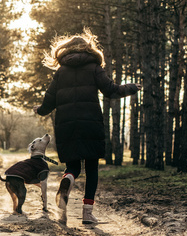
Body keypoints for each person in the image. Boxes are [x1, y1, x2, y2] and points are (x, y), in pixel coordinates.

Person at [33, 29, 142, 225]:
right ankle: (87, 213)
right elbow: (111, 90)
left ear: (66, 50)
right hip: (90, 123)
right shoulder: (94, 67)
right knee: (92, 167)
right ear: (88, 48)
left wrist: (39, 110)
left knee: (73, 166)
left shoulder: (61, 72)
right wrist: (131, 87)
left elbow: (49, 102)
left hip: (66, 125)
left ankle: (68, 179)